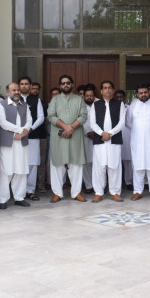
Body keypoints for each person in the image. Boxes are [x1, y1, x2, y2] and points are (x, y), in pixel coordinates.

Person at [47, 74, 87, 203]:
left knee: (76, 164)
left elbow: (83, 116)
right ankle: (57, 193)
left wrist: (72, 127)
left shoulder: (79, 99)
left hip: (75, 136)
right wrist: (65, 127)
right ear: (60, 86)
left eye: (68, 83)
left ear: (72, 84)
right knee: (57, 164)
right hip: (59, 136)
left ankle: (76, 193)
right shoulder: (55, 100)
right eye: (63, 83)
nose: (65, 85)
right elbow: (51, 116)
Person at [0, 83, 32, 209]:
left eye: (18, 90)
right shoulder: (1, 105)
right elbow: (3, 123)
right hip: (8, 142)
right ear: (8, 92)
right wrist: (20, 130)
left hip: (21, 142)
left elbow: (29, 121)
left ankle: (19, 197)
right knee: (6, 171)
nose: (16, 92)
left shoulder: (25, 105)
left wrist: (23, 133)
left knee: (21, 170)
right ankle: (3, 199)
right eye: (13, 90)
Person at [89, 81, 125, 203]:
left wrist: (110, 133)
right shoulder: (96, 105)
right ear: (101, 91)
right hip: (100, 139)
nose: (107, 90)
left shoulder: (119, 104)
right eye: (105, 88)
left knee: (114, 166)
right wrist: (101, 133)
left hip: (114, 139)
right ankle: (98, 192)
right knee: (99, 166)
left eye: (110, 87)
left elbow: (122, 123)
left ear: (113, 90)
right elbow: (92, 123)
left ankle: (114, 192)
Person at [126, 84, 150, 201]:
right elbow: (128, 123)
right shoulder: (132, 107)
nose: (143, 95)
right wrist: (139, 131)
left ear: (149, 92)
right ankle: (137, 191)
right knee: (138, 166)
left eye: (145, 92)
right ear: (137, 94)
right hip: (137, 142)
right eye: (140, 93)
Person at [18, 76, 46, 201]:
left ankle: (30, 190)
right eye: (22, 84)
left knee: (33, 164)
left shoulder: (36, 100)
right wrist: (19, 130)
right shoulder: (14, 99)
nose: (24, 86)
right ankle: (19, 191)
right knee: (19, 163)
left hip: (33, 135)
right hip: (18, 136)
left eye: (26, 84)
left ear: (30, 86)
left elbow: (40, 117)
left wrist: (30, 129)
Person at [114, 89, 133, 190]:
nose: (119, 99)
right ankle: (117, 183)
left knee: (128, 161)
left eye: (121, 97)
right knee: (116, 161)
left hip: (127, 136)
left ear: (124, 98)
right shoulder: (111, 107)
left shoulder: (129, 108)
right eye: (117, 97)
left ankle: (128, 182)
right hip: (115, 137)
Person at [82, 87, 96, 194]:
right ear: (84, 96)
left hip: (98, 137)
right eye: (87, 95)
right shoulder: (80, 107)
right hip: (85, 137)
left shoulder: (99, 106)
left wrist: (96, 133)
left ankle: (99, 185)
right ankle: (88, 185)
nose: (89, 97)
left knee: (97, 162)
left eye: (91, 95)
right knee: (86, 163)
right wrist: (87, 132)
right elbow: (79, 122)